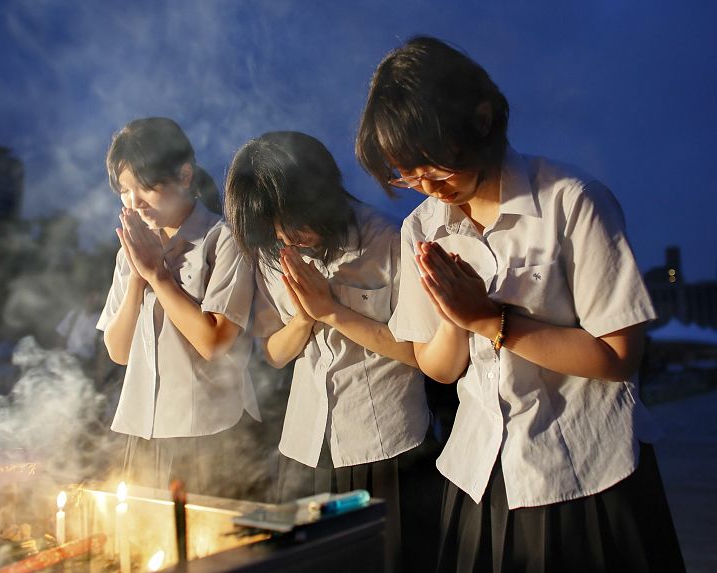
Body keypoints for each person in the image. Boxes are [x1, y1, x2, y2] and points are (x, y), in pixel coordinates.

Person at [356, 36, 685, 572]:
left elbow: (619, 356)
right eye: (405, 175)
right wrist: (454, 318)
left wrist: (491, 319)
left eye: (434, 166)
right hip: (482, 471)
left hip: (581, 468)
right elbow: (439, 367)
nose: (426, 186)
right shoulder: (422, 227)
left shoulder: (572, 201)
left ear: (481, 120)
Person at [224, 131, 430, 571]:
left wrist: (331, 311)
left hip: (383, 442)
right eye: (271, 227)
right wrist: (302, 319)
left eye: (291, 219)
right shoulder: (270, 253)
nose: (283, 235)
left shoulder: (387, 239)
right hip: (306, 443)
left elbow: (421, 353)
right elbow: (275, 354)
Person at [97, 117, 262, 497]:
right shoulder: (132, 251)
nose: (134, 202)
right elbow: (118, 351)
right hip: (143, 430)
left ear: (185, 175)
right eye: (124, 191)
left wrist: (158, 275)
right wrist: (138, 277)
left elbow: (214, 343)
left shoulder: (224, 239)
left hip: (207, 430)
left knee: (210, 550)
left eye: (146, 187)